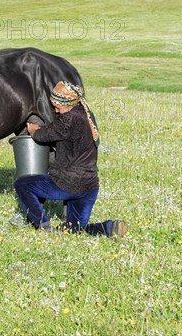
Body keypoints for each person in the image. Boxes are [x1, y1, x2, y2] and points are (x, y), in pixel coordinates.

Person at [13, 81, 126, 237]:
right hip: (89, 187)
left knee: (22, 184)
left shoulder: (68, 120)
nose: (56, 110)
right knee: (73, 230)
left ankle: (43, 226)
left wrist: (33, 129)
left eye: (58, 106)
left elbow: (42, 135)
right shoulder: (85, 115)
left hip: (67, 184)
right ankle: (109, 228)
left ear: (69, 104)